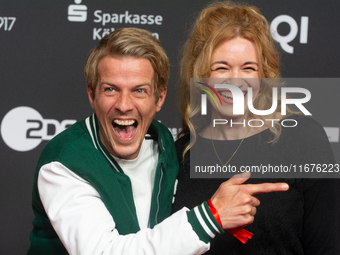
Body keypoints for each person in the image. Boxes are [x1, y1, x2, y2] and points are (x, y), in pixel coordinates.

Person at [27, 27, 289, 255]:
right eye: (110, 89)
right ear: (91, 93)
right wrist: (211, 216)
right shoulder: (63, 162)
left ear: (159, 98)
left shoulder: (165, 142)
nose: (124, 105)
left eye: (139, 90)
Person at [172, 1, 340, 255]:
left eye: (248, 68)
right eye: (221, 68)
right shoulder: (180, 153)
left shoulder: (303, 138)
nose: (236, 81)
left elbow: (327, 246)